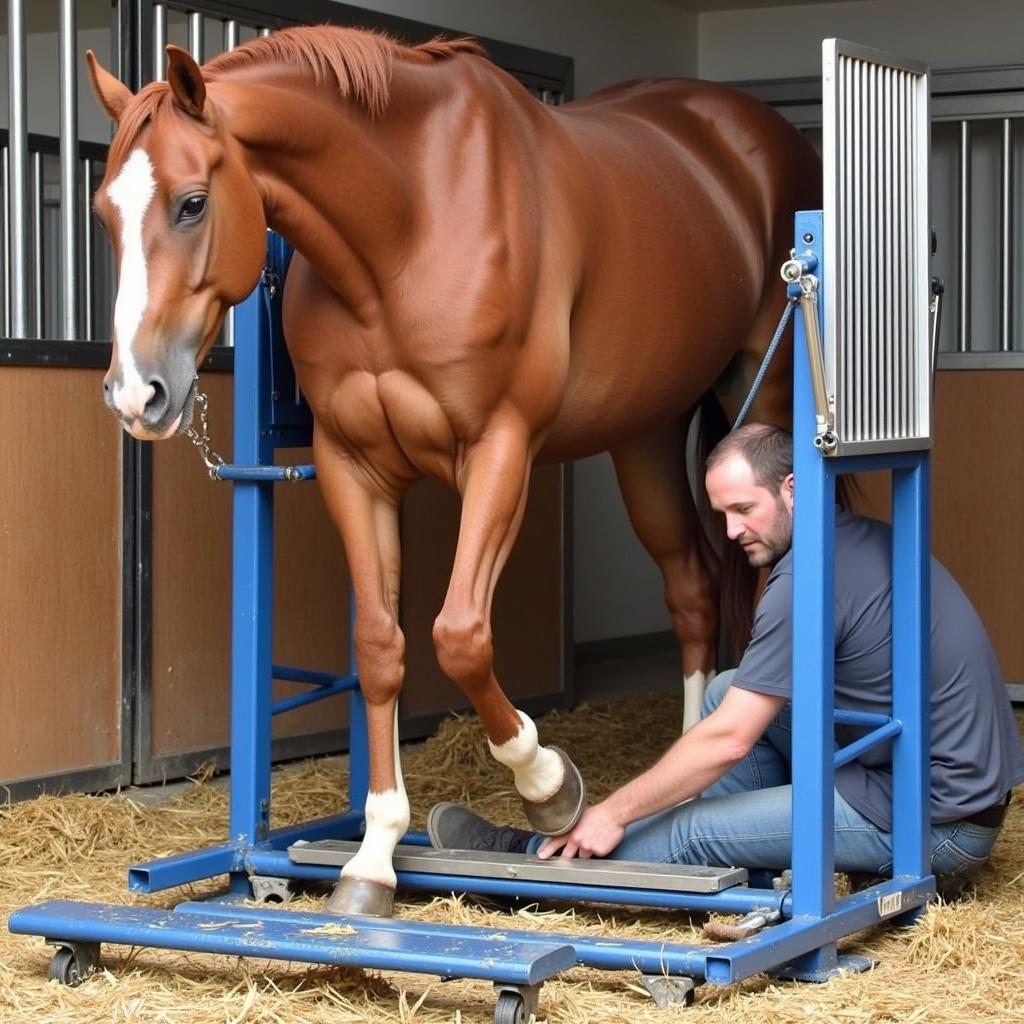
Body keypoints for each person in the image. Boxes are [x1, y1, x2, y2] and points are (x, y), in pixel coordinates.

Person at [427, 424, 1024, 888]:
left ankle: (527, 863)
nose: (732, 531)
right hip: (923, 777)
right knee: (725, 688)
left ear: (793, 489)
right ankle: (732, 865)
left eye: (744, 509)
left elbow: (731, 741)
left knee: (692, 825)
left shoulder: (805, 580)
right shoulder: (854, 537)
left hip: (938, 830)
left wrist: (613, 812)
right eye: (722, 515)